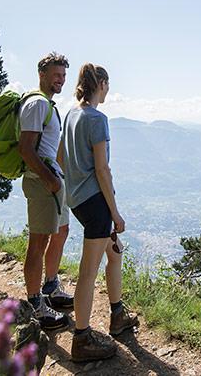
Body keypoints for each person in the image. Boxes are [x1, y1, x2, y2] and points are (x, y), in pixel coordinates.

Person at [60, 63, 139, 361]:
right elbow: (103, 169)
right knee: (88, 271)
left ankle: (117, 315)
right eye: (108, 85)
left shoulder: (71, 115)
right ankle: (81, 339)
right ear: (101, 83)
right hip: (96, 204)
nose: (109, 90)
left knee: (114, 254)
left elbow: (61, 156)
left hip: (78, 198)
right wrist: (115, 214)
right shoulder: (98, 119)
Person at [18, 52, 73, 330]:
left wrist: (59, 179)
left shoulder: (49, 105)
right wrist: (50, 180)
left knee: (61, 232)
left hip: (52, 181)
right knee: (38, 243)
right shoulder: (37, 104)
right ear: (42, 74)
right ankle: (35, 304)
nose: (60, 79)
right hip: (42, 184)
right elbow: (26, 149)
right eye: (56, 74)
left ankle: (51, 286)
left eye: (63, 75)